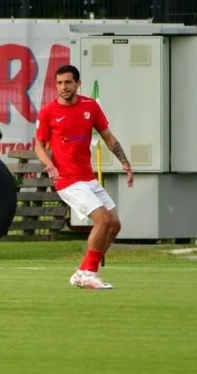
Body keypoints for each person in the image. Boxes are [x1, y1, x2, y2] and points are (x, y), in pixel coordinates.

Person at [34, 64, 134, 290]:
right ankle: (90, 273)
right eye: (59, 83)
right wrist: (49, 165)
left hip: (87, 178)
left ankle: (82, 272)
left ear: (78, 83)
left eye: (68, 82)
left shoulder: (90, 106)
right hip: (67, 181)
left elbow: (108, 137)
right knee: (103, 220)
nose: (63, 87)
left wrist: (125, 162)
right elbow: (38, 146)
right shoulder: (48, 112)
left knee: (114, 225)